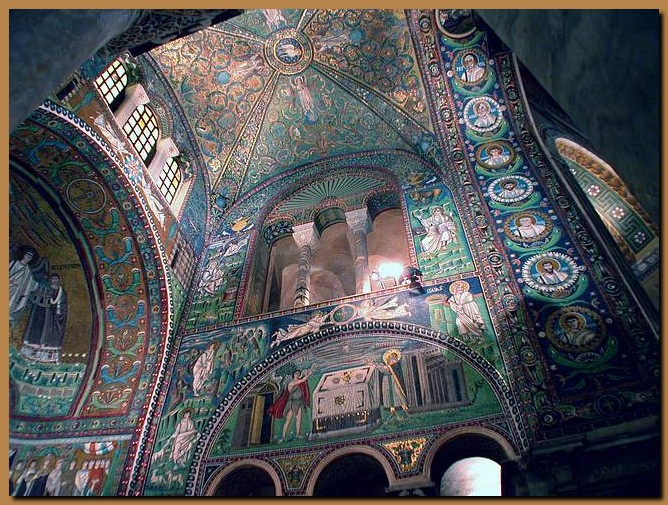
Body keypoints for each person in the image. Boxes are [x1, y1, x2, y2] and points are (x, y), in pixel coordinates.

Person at [21, 273, 68, 362]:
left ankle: (47, 356)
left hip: (54, 318)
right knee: (38, 332)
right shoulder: (46, 289)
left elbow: (62, 305)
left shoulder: (61, 292)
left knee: (50, 335)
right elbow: (37, 298)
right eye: (53, 279)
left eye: (56, 279)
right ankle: (32, 353)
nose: (54, 281)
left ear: (59, 280)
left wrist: (58, 312)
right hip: (43, 316)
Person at [267, 366, 316, 442]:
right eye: (296, 373)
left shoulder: (300, 383)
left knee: (299, 418)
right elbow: (302, 380)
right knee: (288, 420)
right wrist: (309, 374)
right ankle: (283, 436)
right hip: (291, 403)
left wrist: (309, 371)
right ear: (293, 375)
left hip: (298, 402)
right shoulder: (291, 383)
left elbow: (303, 384)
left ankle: (297, 434)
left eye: (298, 373)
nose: (297, 374)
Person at [9, 248, 38, 324]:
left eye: (30, 257)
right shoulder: (14, 263)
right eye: (27, 255)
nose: (28, 257)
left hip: (17, 291)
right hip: (9, 287)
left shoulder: (28, 270)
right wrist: (11, 281)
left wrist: (36, 285)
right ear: (24, 255)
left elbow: (30, 282)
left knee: (12, 303)